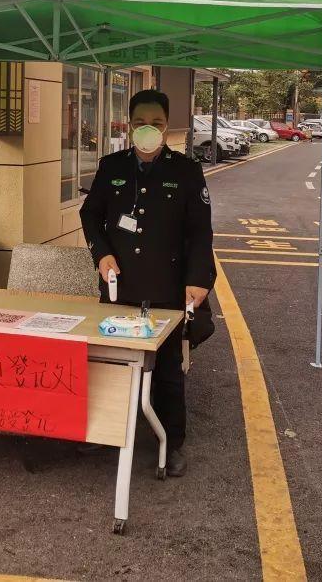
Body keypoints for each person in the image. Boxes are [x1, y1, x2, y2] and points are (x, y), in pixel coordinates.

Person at [80, 89, 214, 477]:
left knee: (167, 369)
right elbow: (91, 216)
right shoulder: (111, 167)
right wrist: (101, 254)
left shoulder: (186, 171)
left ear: (167, 126)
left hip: (167, 288)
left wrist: (198, 279)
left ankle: (170, 443)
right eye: (140, 122)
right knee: (113, 361)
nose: (147, 129)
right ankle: (106, 431)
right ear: (129, 124)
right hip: (119, 286)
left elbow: (200, 232)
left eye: (156, 123)